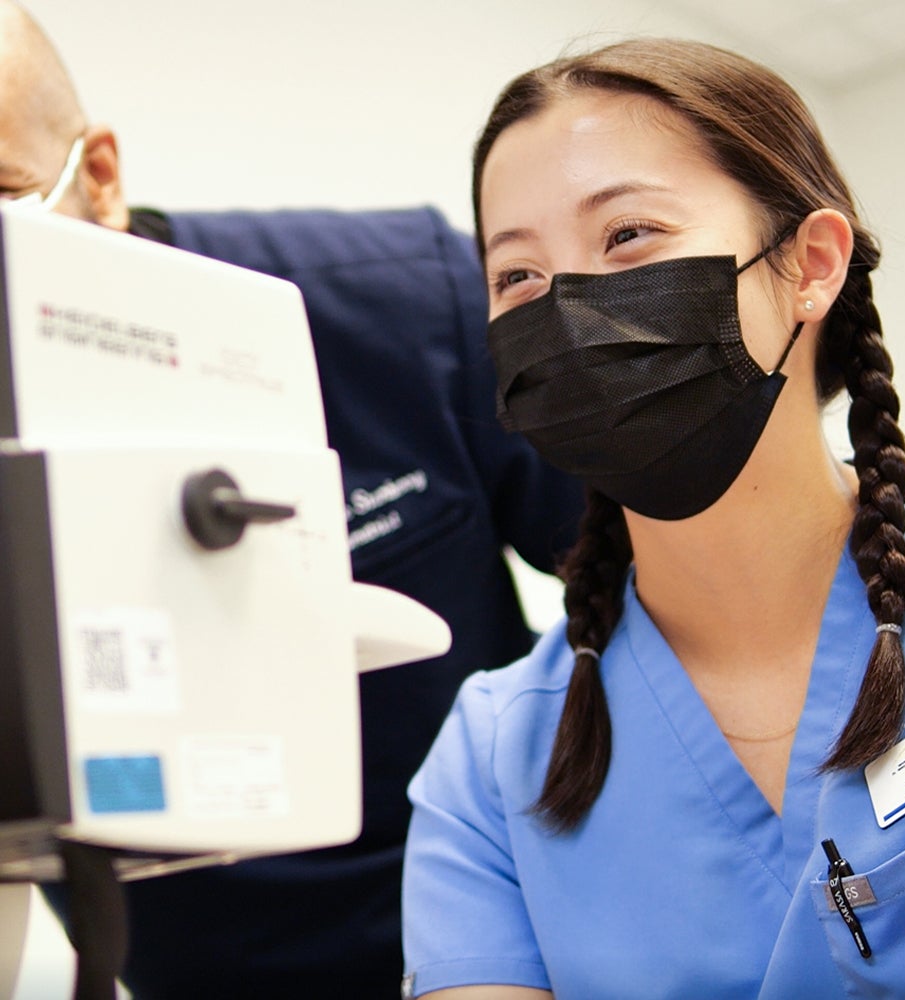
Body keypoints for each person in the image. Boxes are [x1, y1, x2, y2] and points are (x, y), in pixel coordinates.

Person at [0, 3, 585, 996]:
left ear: (98, 177)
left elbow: (655, 583)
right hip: (186, 960)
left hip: (522, 921)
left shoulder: (403, 303)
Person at [400, 36, 905, 1000]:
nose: (568, 312)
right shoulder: (489, 760)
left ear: (810, 263)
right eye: (517, 277)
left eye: (629, 235)